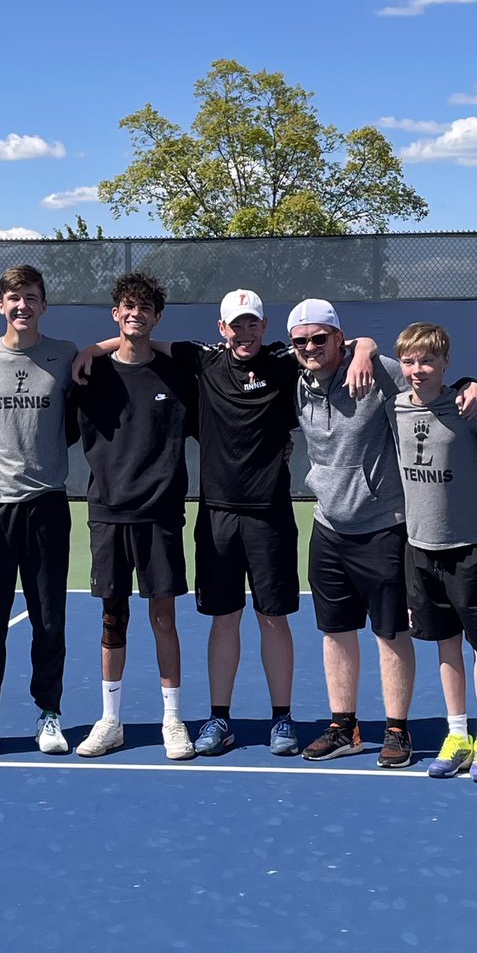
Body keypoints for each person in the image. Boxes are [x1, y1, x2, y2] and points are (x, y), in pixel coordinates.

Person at [74, 288, 378, 758]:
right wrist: (93, 349)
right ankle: (220, 718)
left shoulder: (285, 362)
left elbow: (343, 344)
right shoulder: (202, 361)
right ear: (222, 329)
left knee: (273, 619)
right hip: (215, 514)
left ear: (264, 327)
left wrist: (366, 348)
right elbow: (139, 340)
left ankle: (282, 719)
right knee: (224, 619)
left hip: (270, 514)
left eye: (253, 323)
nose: (244, 332)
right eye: (236, 324)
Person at [72, 272, 198, 760]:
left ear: (157, 316)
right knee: (112, 617)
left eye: (144, 307)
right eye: (127, 306)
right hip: (107, 512)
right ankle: (111, 721)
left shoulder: (179, 372)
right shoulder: (89, 372)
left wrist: (99, 345)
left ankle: (172, 720)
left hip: (161, 514)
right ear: (115, 312)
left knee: (164, 617)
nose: (135, 314)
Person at [289, 298, 417, 768]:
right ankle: (345, 727)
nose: (309, 347)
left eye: (319, 338)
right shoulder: (295, 378)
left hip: (383, 526)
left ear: (339, 338)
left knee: (390, 632)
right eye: (300, 341)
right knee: (336, 632)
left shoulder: (377, 370)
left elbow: (426, 382)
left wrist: (366, 350)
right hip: (328, 527)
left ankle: (398, 731)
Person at [0, 265, 78, 756]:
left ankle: (49, 714)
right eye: (13, 298)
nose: (22, 305)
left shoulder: (66, 355)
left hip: (47, 504)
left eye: (31, 297)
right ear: (0, 306)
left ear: (43, 305)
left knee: (50, 619)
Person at [393, 322, 477, 783]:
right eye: (410, 361)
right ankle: (456, 734)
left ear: (445, 363)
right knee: (444, 644)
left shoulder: (466, 405)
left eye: (427, 361)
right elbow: (365, 361)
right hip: (420, 548)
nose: (417, 370)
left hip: (471, 546)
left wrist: (474, 386)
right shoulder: (394, 405)